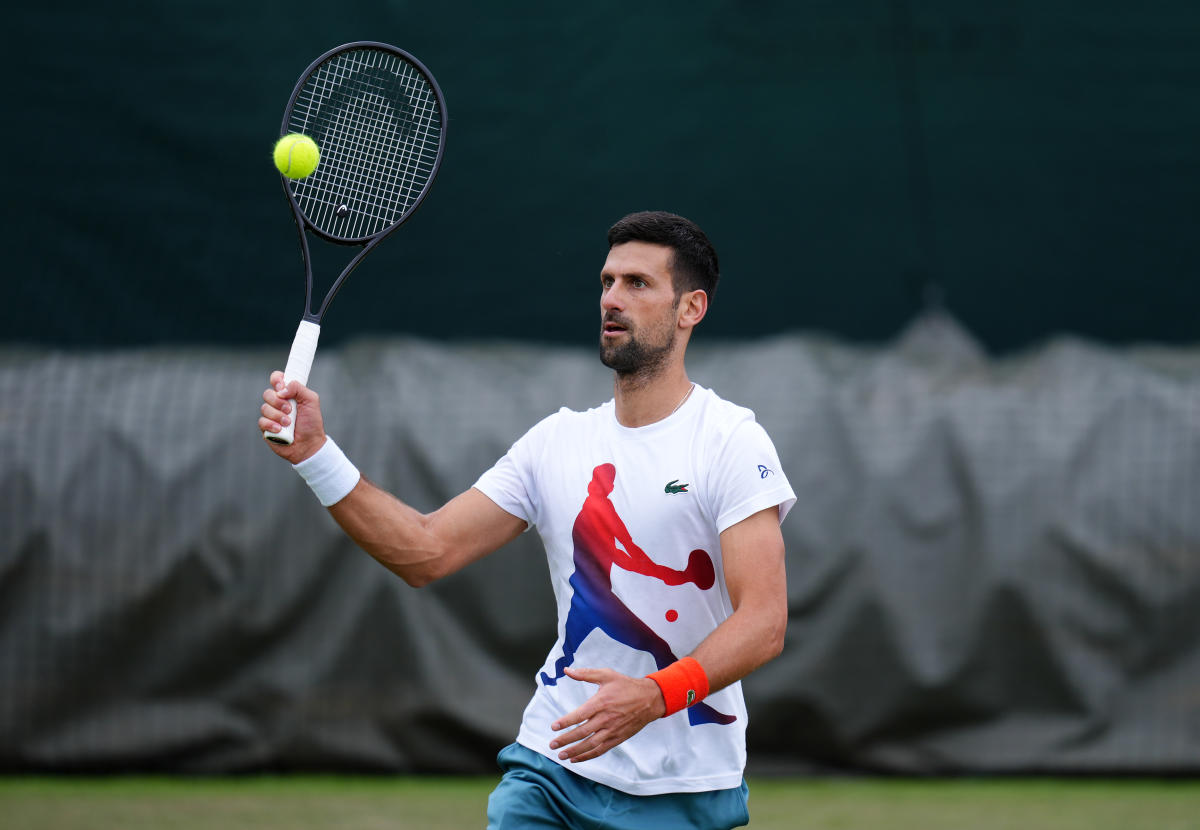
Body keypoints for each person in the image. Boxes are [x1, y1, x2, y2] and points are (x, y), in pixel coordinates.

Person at [258, 211, 795, 829]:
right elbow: (424, 551)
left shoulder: (730, 440)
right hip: (552, 768)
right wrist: (315, 456)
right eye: (607, 281)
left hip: (687, 787)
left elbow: (764, 622)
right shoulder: (555, 442)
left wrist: (654, 697)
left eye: (638, 284)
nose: (612, 300)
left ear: (690, 308)